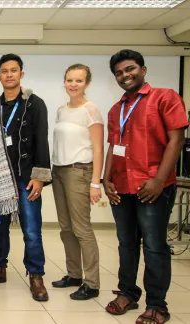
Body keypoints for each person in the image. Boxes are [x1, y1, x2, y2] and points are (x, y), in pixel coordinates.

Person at [103, 49, 187, 324]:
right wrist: (106, 178)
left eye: (130, 69)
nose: (125, 75)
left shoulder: (165, 97)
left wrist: (160, 181)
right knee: (126, 244)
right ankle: (128, 292)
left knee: (154, 246)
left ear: (143, 70)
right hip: (122, 186)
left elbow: (176, 140)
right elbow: (112, 147)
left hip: (153, 186)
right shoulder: (117, 109)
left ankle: (157, 305)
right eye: (119, 73)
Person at [0, 54, 51, 301]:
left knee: (31, 229)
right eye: (4, 71)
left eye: (13, 70)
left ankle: (36, 274)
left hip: (26, 176)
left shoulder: (34, 103)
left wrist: (39, 176)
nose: (9, 75)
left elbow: (41, 140)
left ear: (21, 74)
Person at [51, 64, 103, 301]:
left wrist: (95, 183)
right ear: (64, 81)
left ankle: (92, 283)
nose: (73, 84)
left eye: (79, 81)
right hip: (59, 172)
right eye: (69, 80)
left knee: (82, 229)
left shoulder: (90, 110)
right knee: (66, 228)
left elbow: (99, 148)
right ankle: (74, 275)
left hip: (79, 172)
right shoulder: (62, 110)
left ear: (87, 84)